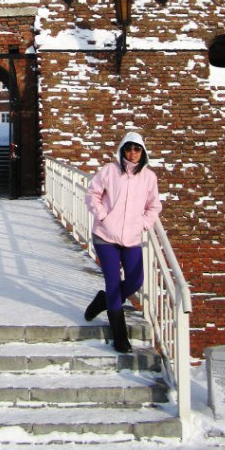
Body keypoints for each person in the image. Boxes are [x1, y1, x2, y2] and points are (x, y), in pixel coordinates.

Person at [83, 130, 162, 353]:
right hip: (105, 236)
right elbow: (92, 194)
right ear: (122, 150)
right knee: (113, 282)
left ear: (143, 151)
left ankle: (102, 301)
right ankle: (120, 335)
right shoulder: (110, 171)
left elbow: (154, 206)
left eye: (137, 148)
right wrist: (102, 216)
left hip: (131, 238)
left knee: (136, 280)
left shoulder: (149, 177)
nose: (132, 152)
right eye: (128, 148)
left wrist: (143, 223)